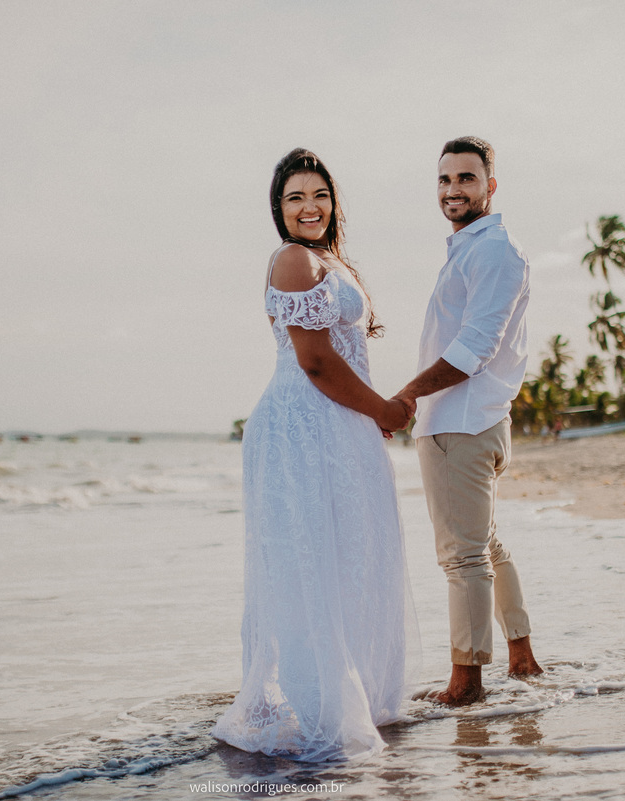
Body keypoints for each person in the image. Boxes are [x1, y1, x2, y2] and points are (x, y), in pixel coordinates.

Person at [212, 148, 419, 761]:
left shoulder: (328, 259)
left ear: (334, 201)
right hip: (303, 425)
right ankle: (325, 710)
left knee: (353, 555)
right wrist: (381, 410)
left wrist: (367, 413)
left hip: (336, 423)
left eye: (320, 194)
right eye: (295, 197)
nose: (310, 207)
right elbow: (316, 360)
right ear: (278, 209)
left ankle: (354, 698)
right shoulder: (292, 260)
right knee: (311, 566)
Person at [393, 136, 543, 706]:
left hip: (461, 421)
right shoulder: (470, 249)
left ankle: (467, 682)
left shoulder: (494, 249)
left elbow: (475, 346)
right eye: (444, 180)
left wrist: (406, 395)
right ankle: (521, 654)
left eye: (466, 179)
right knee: (485, 545)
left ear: (491, 186)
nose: (453, 190)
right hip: (472, 418)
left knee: (464, 557)